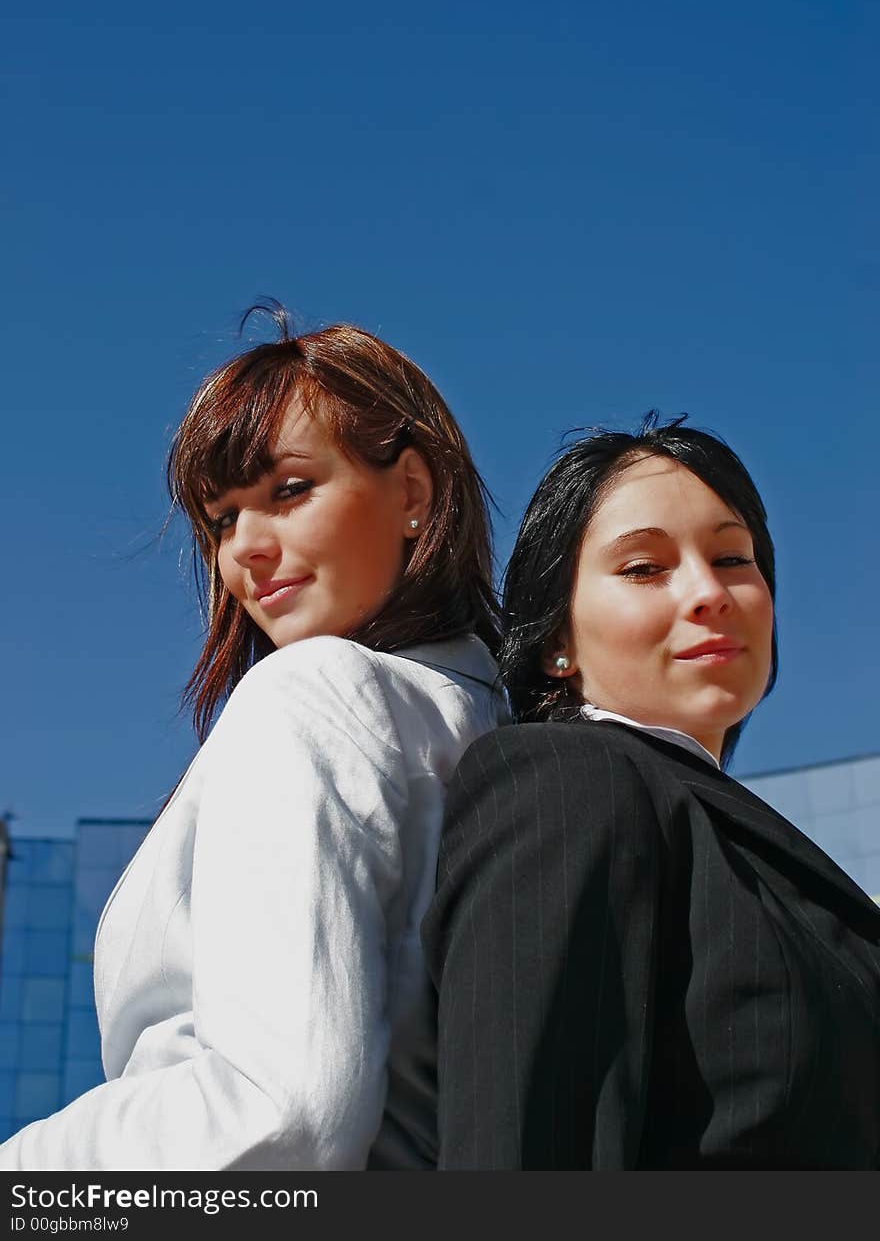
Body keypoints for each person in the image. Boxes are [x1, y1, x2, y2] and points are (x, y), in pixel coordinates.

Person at [0, 303, 507, 1171]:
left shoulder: (312, 694)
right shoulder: (489, 725)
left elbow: (278, 1113)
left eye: (289, 491)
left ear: (414, 493)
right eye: (222, 519)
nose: (247, 552)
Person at [423, 413, 880, 1170]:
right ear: (556, 642)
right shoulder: (567, 781)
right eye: (643, 568)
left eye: (734, 558)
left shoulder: (736, 847)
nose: (709, 592)